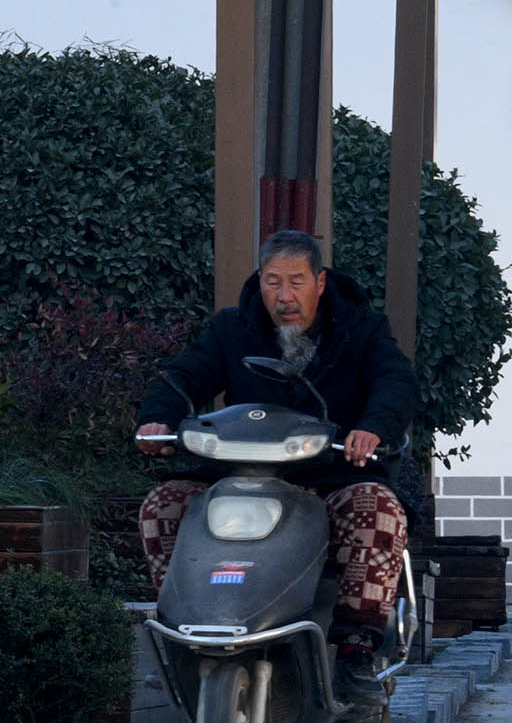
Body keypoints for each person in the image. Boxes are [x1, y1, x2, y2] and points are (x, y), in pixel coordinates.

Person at [135, 230, 421, 680]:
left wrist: (372, 428)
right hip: (240, 481)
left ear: (320, 282)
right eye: (272, 282)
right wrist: (157, 419)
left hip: (333, 480)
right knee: (163, 506)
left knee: (379, 508)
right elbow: (183, 376)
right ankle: (184, 634)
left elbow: (396, 381)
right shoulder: (232, 329)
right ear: (260, 280)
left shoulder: (363, 329)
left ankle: (356, 653)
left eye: (296, 282)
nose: (284, 296)